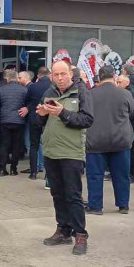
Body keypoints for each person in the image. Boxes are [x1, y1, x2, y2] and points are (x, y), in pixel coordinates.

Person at [37, 60, 94, 255]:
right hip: (51, 151)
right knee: (57, 194)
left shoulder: (81, 92)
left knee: (73, 195)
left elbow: (87, 120)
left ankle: (80, 234)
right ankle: (63, 229)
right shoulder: (49, 92)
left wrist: (63, 113)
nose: (60, 78)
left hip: (71, 152)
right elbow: (38, 121)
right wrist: (42, 114)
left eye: (63, 74)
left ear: (71, 73)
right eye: (56, 74)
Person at [84, 66, 134, 215]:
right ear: (114, 76)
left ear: (99, 78)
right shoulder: (125, 94)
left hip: (95, 141)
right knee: (121, 175)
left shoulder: (90, 94)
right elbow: (131, 112)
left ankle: (95, 206)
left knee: (95, 176)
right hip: (120, 140)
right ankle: (123, 205)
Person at [0, 70, 27, 176]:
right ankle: (13, 168)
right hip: (19, 120)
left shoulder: (1, 89)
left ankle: (2, 169)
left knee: (4, 144)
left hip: (4, 120)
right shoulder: (24, 90)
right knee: (16, 145)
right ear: (17, 78)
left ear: (7, 78)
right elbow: (27, 104)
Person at [22, 67, 51, 180]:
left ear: (38, 76)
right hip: (49, 119)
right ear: (49, 75)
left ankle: (33, 173)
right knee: (48, 145)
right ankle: (47, 175)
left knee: (34, 145)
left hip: (35, 118)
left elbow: (26, 100)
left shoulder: (33, 86)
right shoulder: (53, 86)